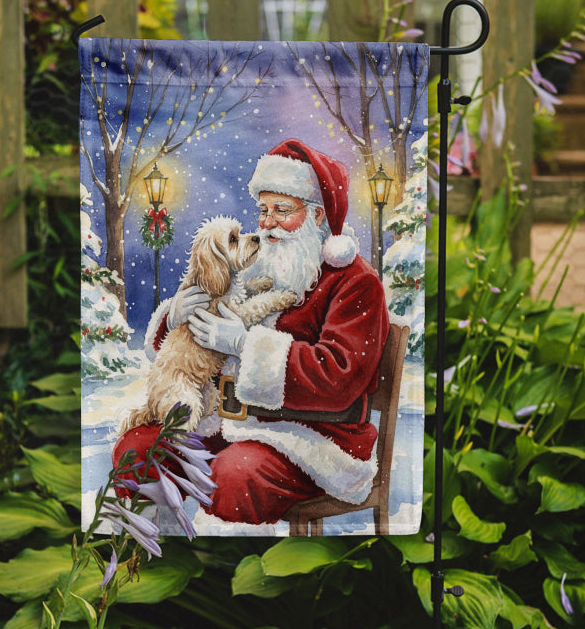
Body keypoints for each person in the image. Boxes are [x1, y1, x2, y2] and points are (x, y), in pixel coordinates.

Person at [113, 139, 389, 528]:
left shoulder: (355, 282)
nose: (268, 222)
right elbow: (189, 351)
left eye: (282, 210)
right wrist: (174, 318)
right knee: (136, 452)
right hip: (225, 420)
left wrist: (245, 345)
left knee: (231, 478)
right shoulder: (261, 263)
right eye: (263, 210)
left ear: (317, 216)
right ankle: (155, 543)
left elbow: (338, 376)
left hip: (308, 439)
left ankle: (219, 555)